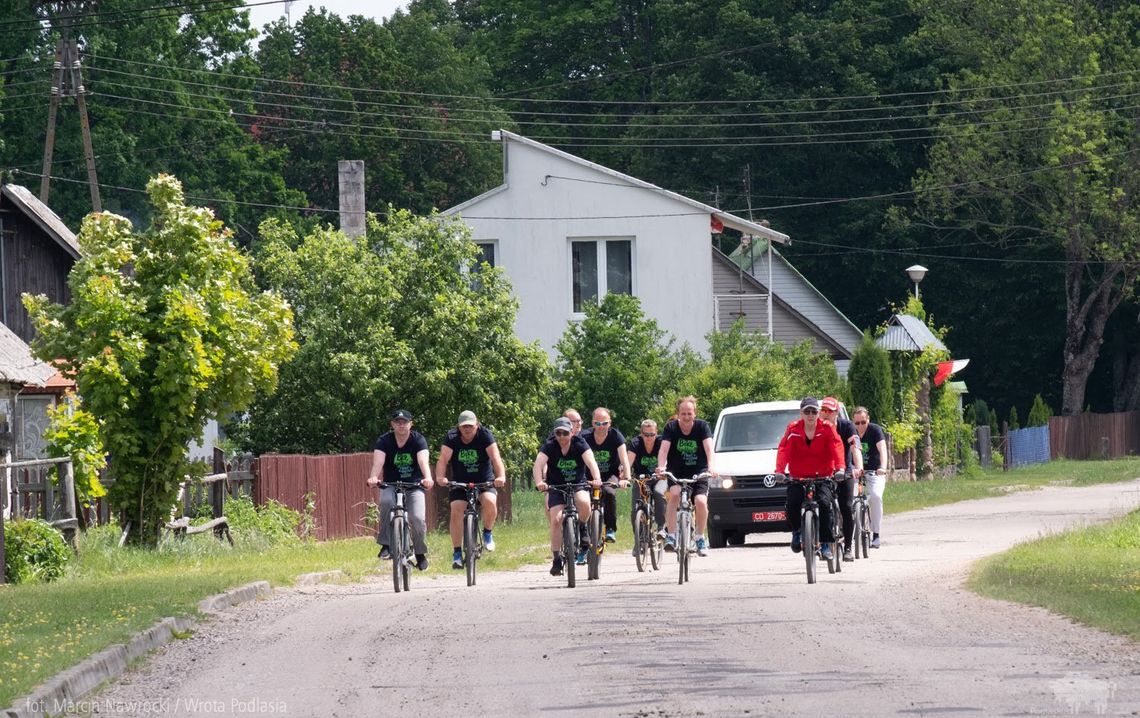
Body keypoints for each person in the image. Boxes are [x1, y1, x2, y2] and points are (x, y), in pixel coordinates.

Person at [775, 397, 845, 562]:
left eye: (814, 411)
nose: (811, 415)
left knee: (825, 503)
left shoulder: (827, 428)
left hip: (823, 475)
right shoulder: (793, 429)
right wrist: (779, 471)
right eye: (807, 411)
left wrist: (840, 468)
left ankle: (826, 543)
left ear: (818, 413)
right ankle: (797, 532)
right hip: (798, 475)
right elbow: (784, 448)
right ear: (801, 413)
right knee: (792, 502)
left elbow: (837, 446)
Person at [435, 410, 507, 569]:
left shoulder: (485, 435)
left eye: (470, 426)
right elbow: (443, 459)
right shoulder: (452, 437)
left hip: (484, 481)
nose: (467, 429)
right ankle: (457, 553)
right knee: (456, 509)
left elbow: (495, 458)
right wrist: (440, 477)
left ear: (477, 425)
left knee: (489, 502)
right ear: (459, 427)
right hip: (460, 482)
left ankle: (487, 533)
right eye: (464, 426)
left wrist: (500, 476)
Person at [533, 416, 603, 576]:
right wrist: (539, 482)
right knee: (556, 519)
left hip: (578, 482)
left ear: (571, 433)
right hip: (556, 486)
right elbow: (538, 464)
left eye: (565, 433)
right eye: (558, 433)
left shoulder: (580, 443)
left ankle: (583, 526)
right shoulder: (550, 446)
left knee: (584, 502)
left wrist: (597, 478)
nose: (562, 437)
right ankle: (557, 558)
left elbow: (591, 462)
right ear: (555, 434)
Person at [366, 409, 434, 571]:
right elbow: (378, 463)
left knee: (417, 518)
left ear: (411, 424)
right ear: (392, 424)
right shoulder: (384, 441)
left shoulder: (419, 440)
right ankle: (386, 544)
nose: (401, 425)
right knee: (385, 501)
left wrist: (428, 478)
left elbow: (423, 461)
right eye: (398, 422)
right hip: (391, 484)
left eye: (405, 422)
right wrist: (373, 477)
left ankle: (420, 554)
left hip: (414, 485)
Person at [655, 396, 717, 557]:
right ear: (678, 414)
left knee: (700, 501)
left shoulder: (702, 427)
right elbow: (663, 450)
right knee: (674, 495)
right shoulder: (671, 428)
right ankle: (672, 535)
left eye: (689, 413)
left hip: (699, 472)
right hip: (676, 472)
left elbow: (709, 449)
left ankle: (699, 537)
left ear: (694, 413)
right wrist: (662, 466)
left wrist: (711, 466)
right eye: (683, 414)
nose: (686, 417)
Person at [820, 396, 864, 562]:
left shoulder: (847, 426)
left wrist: (858, 467)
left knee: (846, 507)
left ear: (836, 413)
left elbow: (855, 448)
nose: (825, 414)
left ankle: (847, 548)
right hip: (824, 473)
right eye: (823, 410)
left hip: (844, 471)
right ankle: (822, 543)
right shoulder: (817, 427)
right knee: (823, 505)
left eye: (829, 411)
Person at [580, 407, 631, 543]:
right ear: (592, 423)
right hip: (588, 476)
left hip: (610, 475)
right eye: (597, 423)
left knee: (609, 492)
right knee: (584, 499)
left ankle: (610, 529)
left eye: (604, 423)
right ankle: (582, 531)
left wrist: (626, 478)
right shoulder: (584, 436)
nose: (601, 427)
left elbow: (624, 458)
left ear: (610, 423)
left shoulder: (616, 436)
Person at [852, 406, 889, 548]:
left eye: (863, 422)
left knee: (876, 496)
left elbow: (883, 450)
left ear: (868, 420)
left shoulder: (875, 430)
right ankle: (848, 532)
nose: (860, 426)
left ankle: (876, 534)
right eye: (857, 423)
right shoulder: (851, 432)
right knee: (847, 497)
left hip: (875, 471)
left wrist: (883, 467)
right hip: (856, 471)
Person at [628, 418, 667, 541]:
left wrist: (663, 469)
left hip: (659, 477)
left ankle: (661, 527)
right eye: (646, 435)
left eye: (652, 434)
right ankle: (638, 540)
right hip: (641, 479)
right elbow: (628, 462)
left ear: (656, 433)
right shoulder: (635, 443)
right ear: (641, 434)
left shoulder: (661, 442)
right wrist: (625, 476)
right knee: (636, 508)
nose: (649, 437)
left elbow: (666, 457)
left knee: (659, 493)